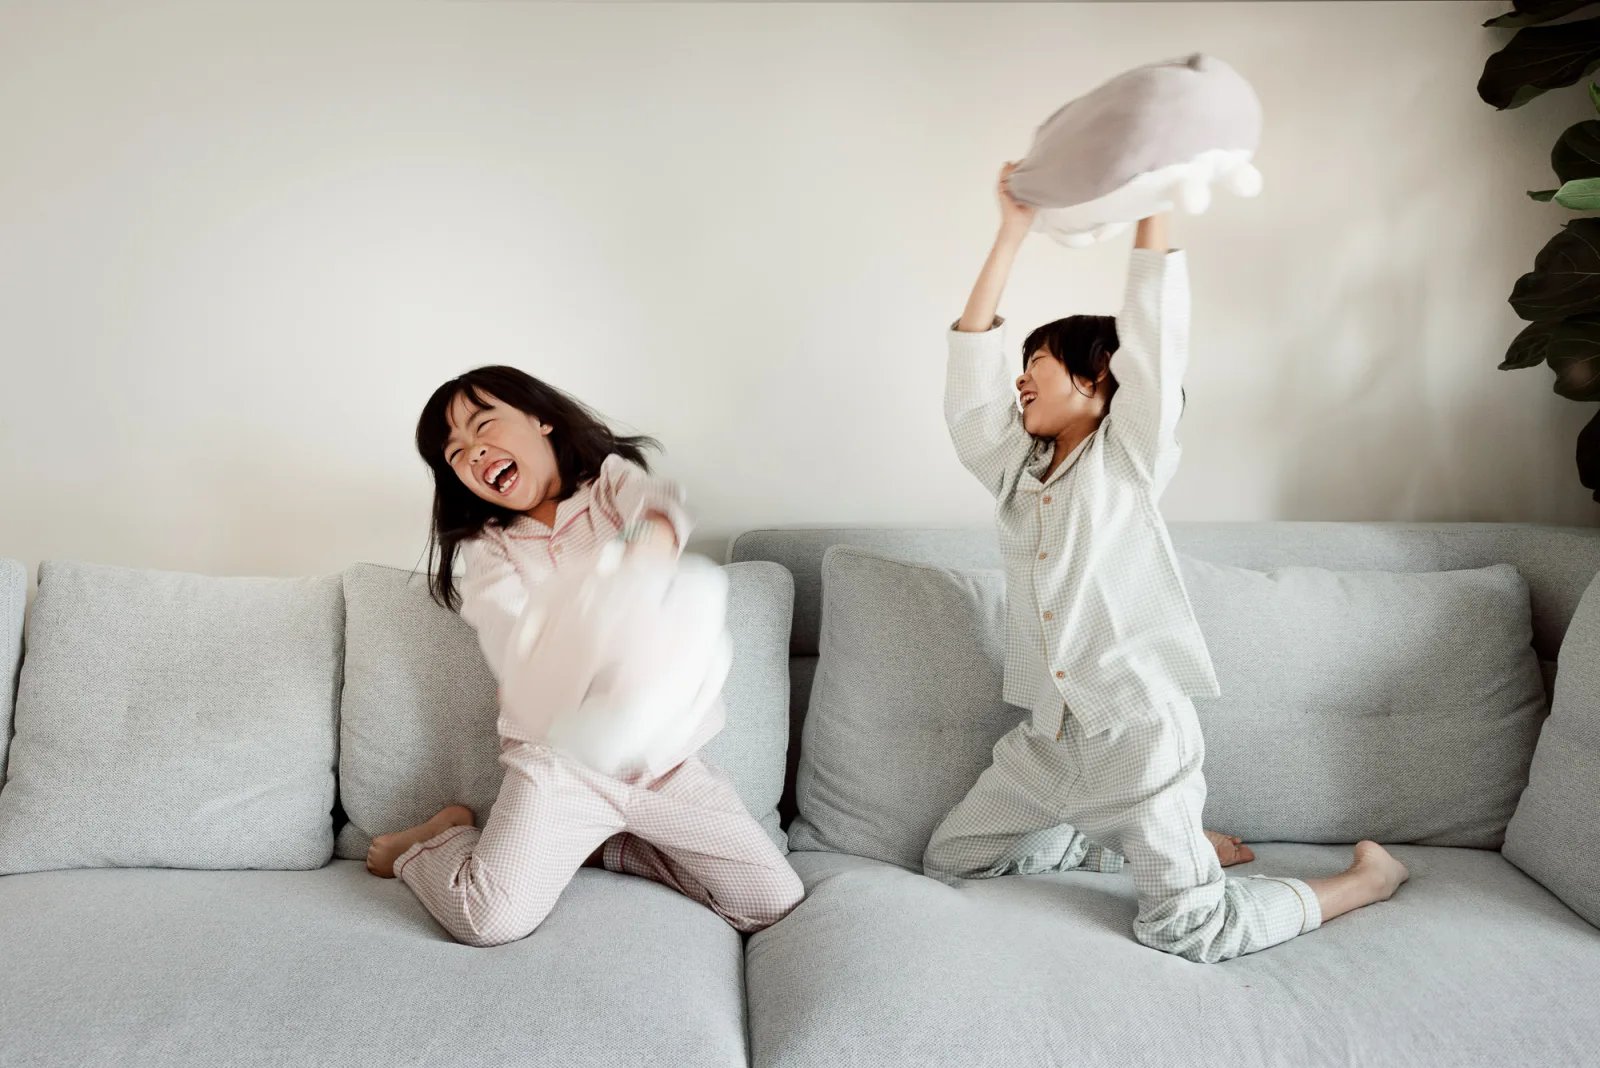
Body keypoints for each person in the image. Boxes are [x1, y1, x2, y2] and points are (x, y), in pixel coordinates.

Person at [922, 164, 1408, 963]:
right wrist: (1012, 233)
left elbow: (1153, 339)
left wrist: (1154, 204)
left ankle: (1365, 882)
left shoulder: (1128, 459)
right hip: (1049, 738)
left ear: (1097, 378)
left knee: (1187, 930)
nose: (1020, 377)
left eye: (1037, 361)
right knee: (952, 860)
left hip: (1136, 729)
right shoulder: (1017, 475)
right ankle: (1142, 846)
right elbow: (971, 390)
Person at [365, 365, 803, 947]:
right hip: (561, 763)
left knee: (773, 900)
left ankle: (607, 848)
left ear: (541, 420)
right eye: (456, 454)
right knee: (487, 921)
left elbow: (658, 511)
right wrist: (543, 667)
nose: (474, 453)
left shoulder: (610, 485)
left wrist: (644, 552)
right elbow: (507, 626)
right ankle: (434, 844)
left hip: (662, 765)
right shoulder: (490, 547)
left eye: (483, 426)